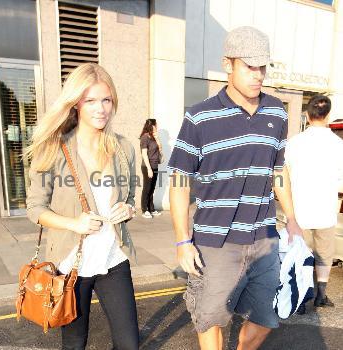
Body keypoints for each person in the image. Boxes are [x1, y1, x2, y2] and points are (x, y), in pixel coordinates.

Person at [168, 26, 302, 350]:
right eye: (249, 66)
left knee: (266, 318)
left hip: (264, 239)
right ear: (228, 64)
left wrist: (293, 219)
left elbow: (278, 168)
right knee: (211, 318)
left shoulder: (276, 112)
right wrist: (183, 240)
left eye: (263, 67)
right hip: (215, 242)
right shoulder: (200, 118)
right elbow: (179, 180)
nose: (259, 75)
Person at [25, 63, 139, 350]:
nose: (100, 108)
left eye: (106, 99)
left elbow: (131, 199)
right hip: (70, 264)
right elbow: (35, 209)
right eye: (90, 100)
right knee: (75, 344)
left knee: (129, 344)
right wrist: (73, 224)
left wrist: (128, 210)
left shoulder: (123, 148)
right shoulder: (53, 149)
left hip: (113, 259)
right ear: (76, 103)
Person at [285, 95, 343, 314]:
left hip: (299, 210)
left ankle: (299, 299)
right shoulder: (339, 145)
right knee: (324, 254)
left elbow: (284, 175)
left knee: (300, 253)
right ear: (327, 115)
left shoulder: (294, 143)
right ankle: (320, 295)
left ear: (307, 116)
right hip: (326, 210)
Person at [140, 118, 163, 218]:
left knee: (152, 189)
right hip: (147, 167)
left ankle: (151, 208)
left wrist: (158, 140)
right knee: (147, 188)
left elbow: (160, 151)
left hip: (155, 165)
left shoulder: (154, 137)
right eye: (156, 125)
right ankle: (144, 210)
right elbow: (144, 154)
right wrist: (149, 169)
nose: (157, 126)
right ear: (151, 125)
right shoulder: (145, 137)